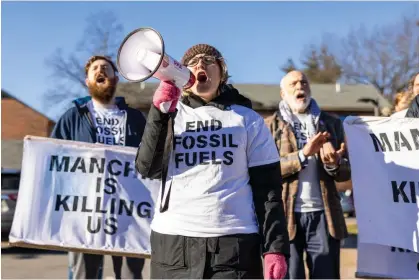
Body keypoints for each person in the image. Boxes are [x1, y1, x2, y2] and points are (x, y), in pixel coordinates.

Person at [135, 44, 290, 279]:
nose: (200, 64)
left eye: (208, 60)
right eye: (192, 62)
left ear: (222, 71)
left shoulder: (248, 120)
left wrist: (274, 248)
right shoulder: (170, 113)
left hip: (233, 246)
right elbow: (147, 168)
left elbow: (268, 190)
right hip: (173, 244)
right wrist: (158, 113)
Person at [50, 55, 147, 279]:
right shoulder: (73, 116)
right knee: (85, 274)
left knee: (131, 274)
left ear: (115, 79)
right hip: (84, 213)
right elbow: (54, 158)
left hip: (128, 212)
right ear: (87, 81)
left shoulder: (134, 118)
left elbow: (150, 159)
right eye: (95, 69)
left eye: (106, 68)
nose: (100, 70)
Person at [265, 70, 351, 279]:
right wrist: (304, 154)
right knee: (290, 275)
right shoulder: (269, 126)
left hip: (324, 214)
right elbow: (268, 171)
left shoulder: (331, 123)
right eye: (293, 83)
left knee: (326, 275)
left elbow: (345, 173)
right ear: (283, 93)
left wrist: (335, 163)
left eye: (303, 82)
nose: (299, 86)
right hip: (285, 215)